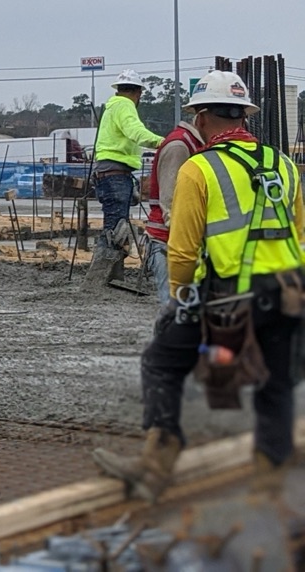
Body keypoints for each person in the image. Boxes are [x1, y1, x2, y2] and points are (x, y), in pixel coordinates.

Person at [92, 71, 304, 502]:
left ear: (203, 117)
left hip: (231, 293)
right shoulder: (285, 164)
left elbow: (184, 250)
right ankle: (270, 489)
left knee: (161, 363)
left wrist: (181, 300)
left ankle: (157, 464)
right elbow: (299, 233)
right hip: (288, 291)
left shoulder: (199, 168)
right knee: (276, 387)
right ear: (244, 116)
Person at [85, 69, 163, 286]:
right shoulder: (124, 106)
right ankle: (101, 280)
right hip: (115, 174)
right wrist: (163, 142)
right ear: (138, 93)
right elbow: (135, 131)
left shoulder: (112, 107)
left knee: (115, 224)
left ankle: (111, 277)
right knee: (116, 228)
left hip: (111, 173)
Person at [143, 113, 204, 305]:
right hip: (168, 242)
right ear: (203, 118)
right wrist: (185, 240)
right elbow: (169, 201)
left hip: (177, 242)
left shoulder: (192, 143)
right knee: (176, 309)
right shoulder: (180, 146)